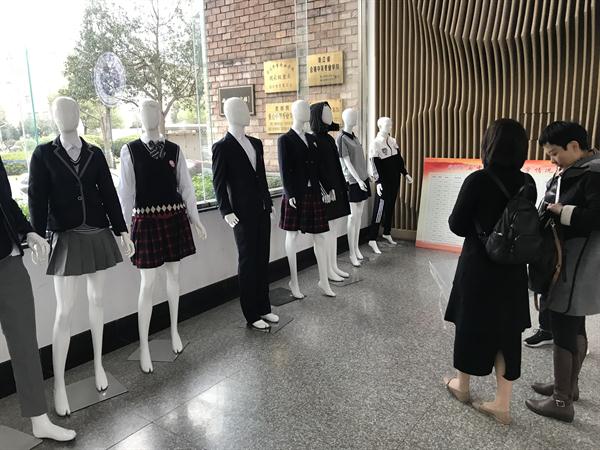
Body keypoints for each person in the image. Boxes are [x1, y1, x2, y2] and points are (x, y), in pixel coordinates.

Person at [443, 119, 536, 425]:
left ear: (489, 145)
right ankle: (502, 403)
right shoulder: (528, 183)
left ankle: (462, 386)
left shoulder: (477, 180)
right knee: (507, 333)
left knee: (469, 324)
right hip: (512, 270)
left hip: (478, 266)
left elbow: (457, 225)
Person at [526, 121, 600, 422]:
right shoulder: (582, 169)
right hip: (571, 260)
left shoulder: (592, 173)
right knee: (574, 323)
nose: (553, 160)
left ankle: (560, 401)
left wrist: (561, 211)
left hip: (573, 263)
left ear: (574, 146)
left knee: (563, 325)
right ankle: (569, 386)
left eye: (555, 153)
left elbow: (595, 217)